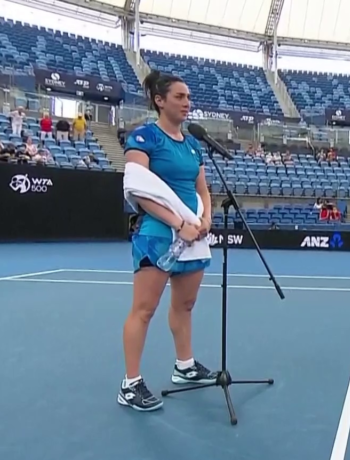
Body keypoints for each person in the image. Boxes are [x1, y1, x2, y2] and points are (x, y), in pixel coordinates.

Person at [118, 70, 216, 412]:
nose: (187, 103)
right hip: (158, 235)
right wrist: (178, 223)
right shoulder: (144, 137)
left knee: (185, 306)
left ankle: (184, 366)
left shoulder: (192, 144)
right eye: (179, 97)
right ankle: (130, 384)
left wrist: (206, 219)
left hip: (194, 236)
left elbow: (202, 188)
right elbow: (138, 189)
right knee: (144, 310)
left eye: (188, 97)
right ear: (159, 100)